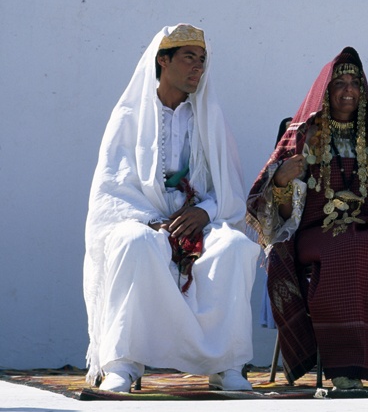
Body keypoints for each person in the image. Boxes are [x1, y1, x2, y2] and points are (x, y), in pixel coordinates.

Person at [247, 47, 368, 390]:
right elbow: (279, 214)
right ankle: (346, 367)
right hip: (315, 231)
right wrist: (281, 181)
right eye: (340, 82)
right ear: (326, 91)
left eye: (355, 83)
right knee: (351, 252)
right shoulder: (304, 138)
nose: (348, 90)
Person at [83, 24, 262, 393]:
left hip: (197, 221)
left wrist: (205, 213)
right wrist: (152, 221)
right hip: (141, 219)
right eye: (188, 58)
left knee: (236, 248)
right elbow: (112, 187)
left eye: (202, 60)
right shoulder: (129, 117)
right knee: (134, 244)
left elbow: (227, 186)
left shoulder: (209, 118)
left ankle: (226, 364)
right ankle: (123, 364)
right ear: (162, 61)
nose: (198, 67)